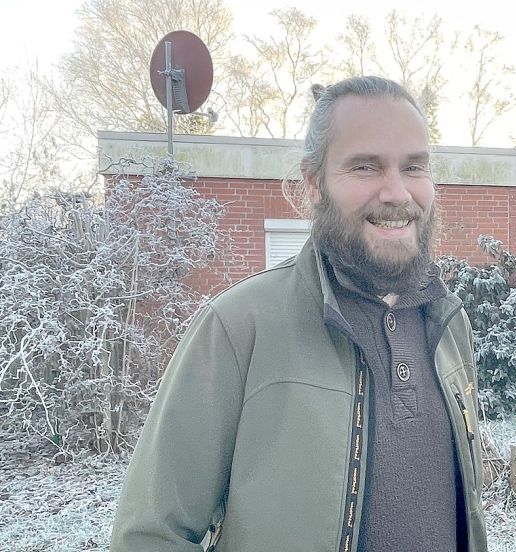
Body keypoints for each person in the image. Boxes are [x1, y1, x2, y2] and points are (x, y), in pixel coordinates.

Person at [111, 76, 487, 552]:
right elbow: (149, 537)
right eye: (366, 166)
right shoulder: (239, 327)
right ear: (314, 183)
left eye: (413, 167)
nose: (396, 193)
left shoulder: (449, 324)